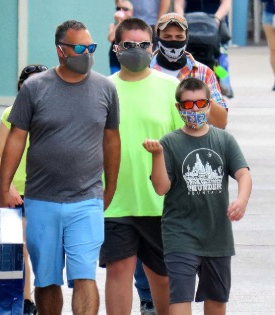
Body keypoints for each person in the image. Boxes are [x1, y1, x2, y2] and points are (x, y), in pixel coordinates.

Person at [0, 20, 121, 314]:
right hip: (41, 201)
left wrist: (111, 187)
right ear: (60, 51)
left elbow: (112, 141)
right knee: (47, 280)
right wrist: (5, 187)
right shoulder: (34, 88)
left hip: (87, 200)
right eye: (79, 48)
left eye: (90, 47)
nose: (87, 54)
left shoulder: (105, 88)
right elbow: (16, 139)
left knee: (84, 275)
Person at [143, 77, 252, 315]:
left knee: (216, 298)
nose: (195, 110)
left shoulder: (224, 139)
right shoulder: (169, 143)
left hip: (217, 235)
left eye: (200, 103)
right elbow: (161, 188)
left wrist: (242, 200)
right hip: (180, 234)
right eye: (188, 105)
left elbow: (243, 174)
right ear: (178, 108)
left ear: (209, 104)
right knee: (180, 296)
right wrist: (157, 155)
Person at [99, 17, 184, 315]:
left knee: (162, 279)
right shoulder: (100, 89)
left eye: (143, 45)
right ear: (116, 48)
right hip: (114, 201)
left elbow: (184, 144)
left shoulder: (171, 87)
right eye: (129, 45)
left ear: (153, 48)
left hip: (161, 203)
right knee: (119, 271)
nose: (136, 50)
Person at [0, 64, 47, 315]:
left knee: (40, 248)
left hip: (44, 192)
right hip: (13, 193)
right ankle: (25, 302)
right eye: (29, 83)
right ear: (21, 87)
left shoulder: (52, 114)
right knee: (16, 249)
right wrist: (8, 186)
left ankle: (38, 297)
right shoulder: (10, 113)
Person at [151, 12, 228, 129]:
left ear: (187, 38)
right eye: (167, 37)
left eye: (179, 37)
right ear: (158, 38)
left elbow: (221, 121)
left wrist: (201, 96)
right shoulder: (145, 70)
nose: (173, 41)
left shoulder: (203, 73)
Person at [174, 0, 235, 98]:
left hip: (215, 27)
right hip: (191, 26)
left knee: (219, 61)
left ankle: (224, 84)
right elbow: (178, 4)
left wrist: (216, 19)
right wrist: (182, 21)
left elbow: (226, 4)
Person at [108, 0, 134, 74]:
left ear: (131, 12)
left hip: (130, 55)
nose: (121, 11)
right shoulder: (113, 25)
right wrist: (119, 22)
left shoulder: (134, 26)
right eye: (118, 9)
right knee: (115, 76)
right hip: (115, 56)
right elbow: (111, 38)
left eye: (125, 9)